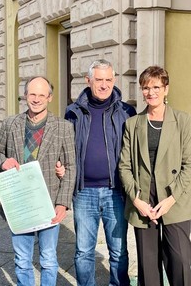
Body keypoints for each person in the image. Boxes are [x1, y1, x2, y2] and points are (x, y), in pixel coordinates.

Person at [0, 76, 76, 286]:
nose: (36, 99)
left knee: (48, 259)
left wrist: (63, 203)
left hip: (48, 204)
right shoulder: (11, 124)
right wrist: (3, 162)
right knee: (22, 260)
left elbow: (71, 166)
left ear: (49, 98)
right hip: (19, 205)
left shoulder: (63, 127)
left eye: (41, 95)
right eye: (32, 94)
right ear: (25, 95)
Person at [119, 66, 191, 286]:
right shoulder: (132, 124)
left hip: (174, 197)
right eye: (146, 87)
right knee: (148, 264)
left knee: (180, 259)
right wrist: (137, 201)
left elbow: (189, 165)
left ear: (166, 89)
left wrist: (172, 199)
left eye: (156, 87)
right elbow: (124, 165)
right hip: (143, 198)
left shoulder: (182, 120)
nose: (150, 92)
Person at [65, 59, 136, 286]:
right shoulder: (73, 112)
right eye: (98, 80)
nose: (104, 85)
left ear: (114, 80)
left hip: (116, 191)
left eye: (108, 79)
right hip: (84, 192)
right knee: (84, 251)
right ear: (88, 81)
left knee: (119, 251)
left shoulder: (126, 111)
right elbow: (65, 148)